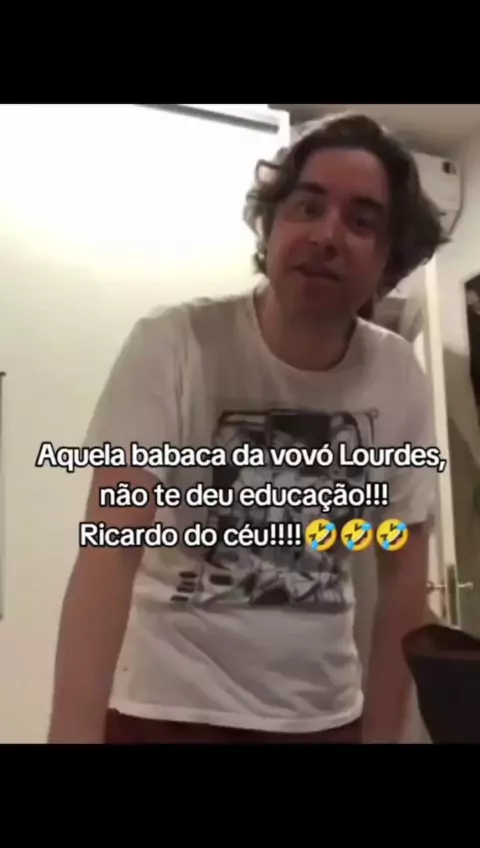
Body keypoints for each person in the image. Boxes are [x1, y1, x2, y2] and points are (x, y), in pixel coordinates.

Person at [48, 112, 448, 744]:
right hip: (164, 714)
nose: (327, 235)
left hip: (323, 719)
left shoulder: (398, 375)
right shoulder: (176, 342)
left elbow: (402, 575)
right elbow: (109, 552)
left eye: (361, 221)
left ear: (388, 258)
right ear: (271, 224)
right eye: (307, 207)